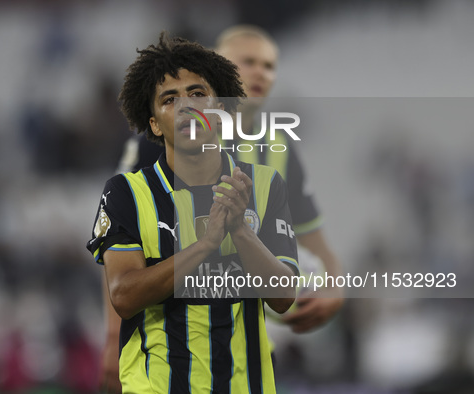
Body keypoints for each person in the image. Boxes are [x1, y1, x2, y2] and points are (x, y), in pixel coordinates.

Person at [103, 25, 345, 392]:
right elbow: (123, 296)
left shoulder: (264, 184)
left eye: (198, 93)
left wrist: (241, 231)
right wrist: (203, 245)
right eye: (169, 99)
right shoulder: (126, 192)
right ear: (153, 123)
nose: (186, 106)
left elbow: (282, 297)